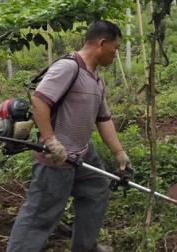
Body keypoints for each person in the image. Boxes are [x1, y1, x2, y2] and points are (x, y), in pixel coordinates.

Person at [7, 20, 130, 252]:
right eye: (115, 48)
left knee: (97, 190)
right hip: (57, 157)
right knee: (41, 215)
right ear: (102, 44)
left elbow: (103, 119)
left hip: (82, 154)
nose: (116, 54)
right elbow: (39, 100)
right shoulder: (68, 67)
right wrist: (50, 140)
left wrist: (119, 153)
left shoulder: (96, 78)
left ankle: (85, 247)